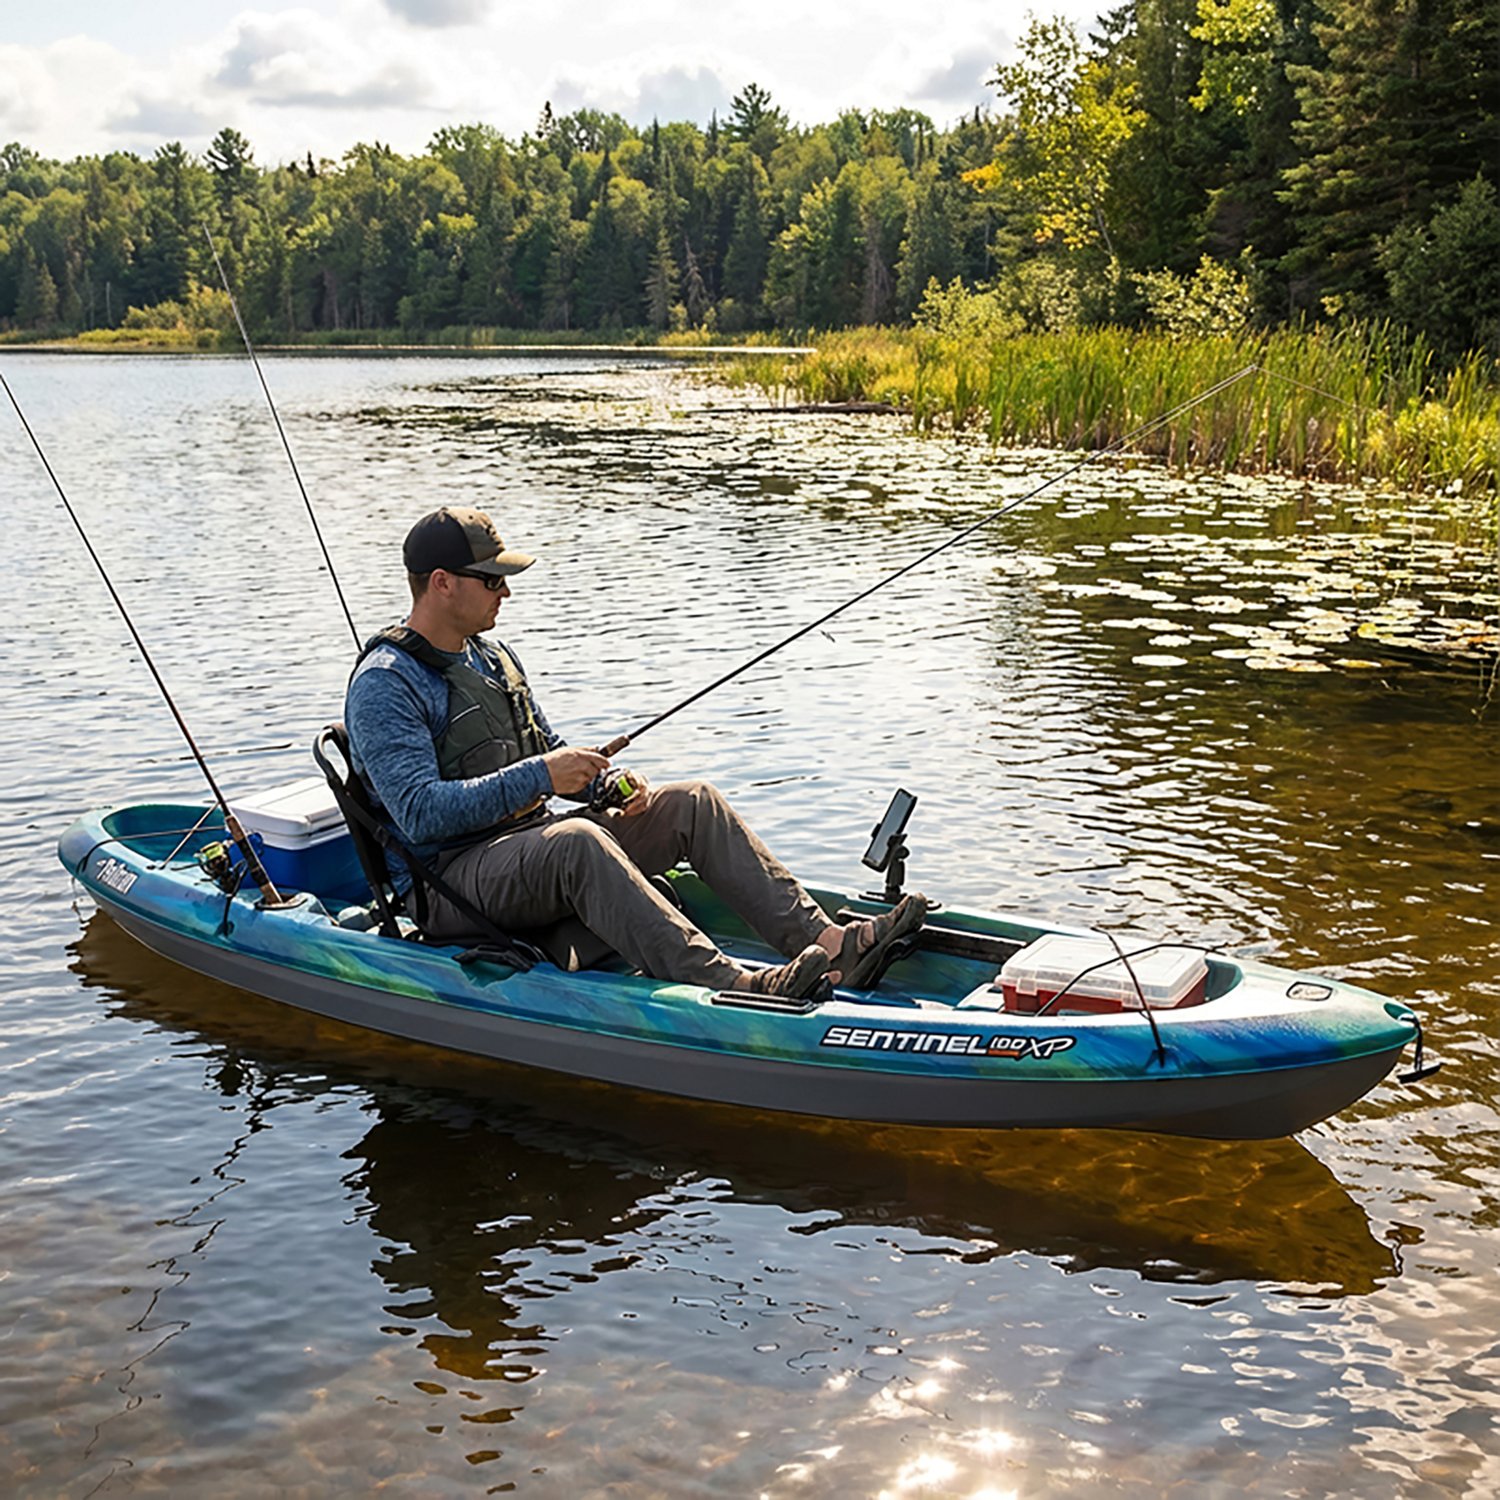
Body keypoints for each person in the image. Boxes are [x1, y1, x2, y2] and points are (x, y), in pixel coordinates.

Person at [344, 506, 927, 998]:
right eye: (491, 580)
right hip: (448, 884)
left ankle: (831, 946)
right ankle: (739, 986)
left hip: (525, 849)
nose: (506, 591)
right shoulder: (386, 683)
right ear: (442, 582)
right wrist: (543, 775)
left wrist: (604, 784)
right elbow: (419, 813)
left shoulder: (492, 657)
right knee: (577, 840)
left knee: (692, 802)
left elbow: (546, 752)